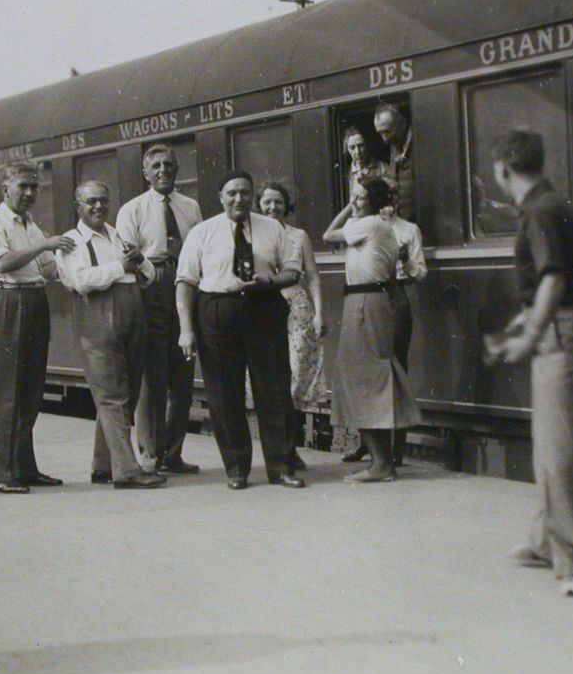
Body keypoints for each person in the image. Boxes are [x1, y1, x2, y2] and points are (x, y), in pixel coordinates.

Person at [490, 129, 573, 597]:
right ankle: (543, 541)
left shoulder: (538, 212)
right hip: (567, 325)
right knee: (551, 444)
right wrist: (522, 324)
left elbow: (554, 277)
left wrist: (531, 333)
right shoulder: (556, 204)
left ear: (502, 170)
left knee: (560, 452)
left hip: (561, 331)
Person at [175, 171, 305, 490]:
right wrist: (186, 330)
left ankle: (281, 467)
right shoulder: (202, 232)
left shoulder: (272, 228)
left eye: (245, 193)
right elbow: (185, 282)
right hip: (218, 311)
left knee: (273, 390)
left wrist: (270, 281)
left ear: (252, 197)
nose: (238, 199)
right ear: (220, 196)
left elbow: (292, 270)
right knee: (223, 394)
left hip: (263, 307)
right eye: (232, 193)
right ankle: (236, 468)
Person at [55, 181, 167, 490]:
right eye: (91, 202)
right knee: (112, 394)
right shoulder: (71, 241)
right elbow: (81, 281)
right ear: (78, 206)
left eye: (103, 200)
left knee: (126, 392)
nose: (98, 207)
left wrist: (140, 260)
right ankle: (127, 472)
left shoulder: (115, 234)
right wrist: (121, 265)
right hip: (97, 316)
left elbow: (150, 274)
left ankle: (103, 466)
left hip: (131, 311)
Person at [0, 160, 76, 493]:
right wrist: (44, 246)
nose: (30, 193)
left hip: (33, 301)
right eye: (23, 186)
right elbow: (0, 264)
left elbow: (48, 269)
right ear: (6, 189)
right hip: (5, 302)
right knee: (3, 392)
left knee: (30, 391)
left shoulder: (31, 225)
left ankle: (23, 468)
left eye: (35, 187)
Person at [323, 176, 422, 484]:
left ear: (375, 202)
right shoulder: (383, 228)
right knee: (369, 374)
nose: (355, 201)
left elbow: (327, 234)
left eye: (360, 197)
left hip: (364, 301)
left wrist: (347, 207)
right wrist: (356, 202)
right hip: (371, 300)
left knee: (360, 375)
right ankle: (382, 460)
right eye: (353, 196)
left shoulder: (369, 225)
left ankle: (381, 464)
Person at [115, 144, 204, 476]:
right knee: (153, 376)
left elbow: (199, 247)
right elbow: (127, 256)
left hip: (184, 281)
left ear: (177, 169)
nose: (163, 170)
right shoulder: (132, 210)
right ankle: (151, 454)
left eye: (169, 164)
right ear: (145, 172)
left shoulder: (190, 207)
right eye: (156, 166)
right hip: (150, 284)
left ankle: (173, 453)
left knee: (183, 373)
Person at [256, 180, 328, 473]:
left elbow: (312, 276)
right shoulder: (253, 235)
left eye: (278, 202)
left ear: (286, 205)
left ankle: (290, 448)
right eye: (267, 202)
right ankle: (279, 450)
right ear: (259, 205)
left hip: (296, 311)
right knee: (271, 381)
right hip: (263, 308)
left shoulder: (299, 236)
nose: (273, 207)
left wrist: (320, 313)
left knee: (295, 380)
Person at [373, 103, 416, 221]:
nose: (384, 138)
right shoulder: (394, 144)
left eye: (387, 131)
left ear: (402, 124)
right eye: (380, 133)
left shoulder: (420, 143)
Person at [342, 124, 385, 192]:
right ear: (347, 150)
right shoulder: (344, 174)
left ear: (367, 145)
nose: (357, 152)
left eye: (361, 145)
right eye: (352, 147)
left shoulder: (383, 169)